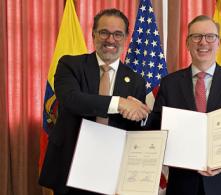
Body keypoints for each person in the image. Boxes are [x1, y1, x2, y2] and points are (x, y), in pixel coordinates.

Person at [39, 9, 150, 195]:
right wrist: (119, 103)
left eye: (118, 34)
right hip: (70, 164)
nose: (110, 40)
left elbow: (134, 128)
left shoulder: (136, 80)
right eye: (104, 32)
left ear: (125, 38)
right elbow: (72, 100)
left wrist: (141, 115)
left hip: (113, 168)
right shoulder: (70, 64)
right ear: (93, 34)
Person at [149, 15, 221, 195]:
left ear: (219, 42)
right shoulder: (169, 83)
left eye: (210, 37)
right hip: (184, 184)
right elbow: (158, 127)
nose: (203, 42)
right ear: (187, 43)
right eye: (196, 36)